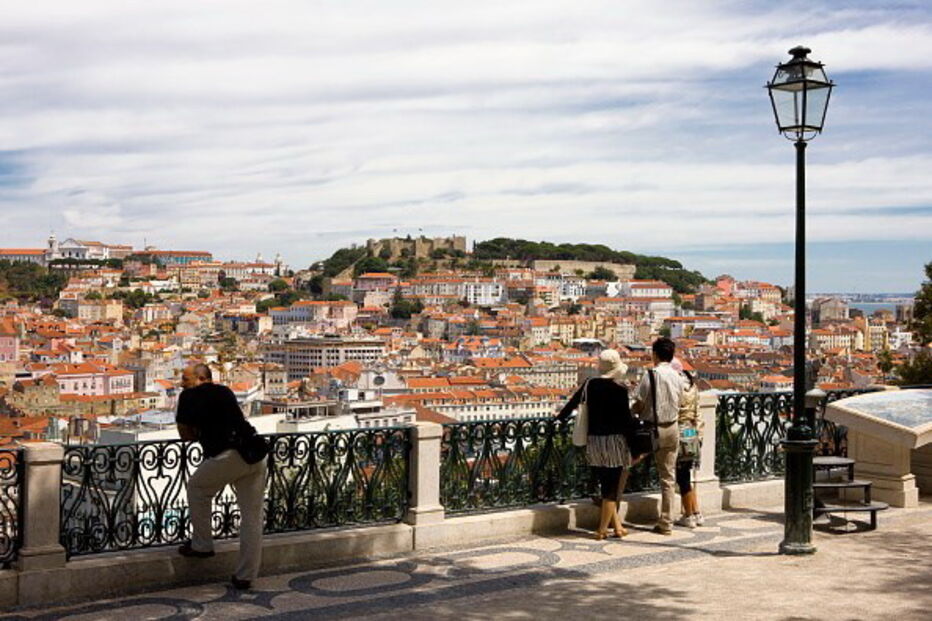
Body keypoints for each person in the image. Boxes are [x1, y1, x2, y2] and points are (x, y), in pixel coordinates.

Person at [175, 363, 267, 590]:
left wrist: (198, 429)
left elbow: (185, 435)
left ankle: (202, 544)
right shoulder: (225, 391)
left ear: (200, 378)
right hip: (255, 453)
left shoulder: (188, 397)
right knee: (252, 518)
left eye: (185, 379)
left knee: (197, 488)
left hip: (228, 455)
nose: (181, 383)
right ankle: (245, 575)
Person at [557, 349, 636, 540]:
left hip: (594, 441)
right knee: (611, 489)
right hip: (614, 442)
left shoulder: (589, 385)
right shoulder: (619, 390)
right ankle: (602, 529)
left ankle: (617, 528)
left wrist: (559, 419)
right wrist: (634, 447)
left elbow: (571, 404)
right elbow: (626, 422)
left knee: (605, 484)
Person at [632, 337, 685, 535]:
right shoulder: (677, 376)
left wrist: (636, 411)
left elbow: (638, 401)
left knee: (627, 461)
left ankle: (610, 508)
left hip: (651, 430)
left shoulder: (650, 375)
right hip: (672, 428)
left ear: (654, 355)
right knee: (668, 478)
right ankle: (666, 522)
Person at [672, 358, 704, 529]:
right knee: (688, 475)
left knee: (681, 476)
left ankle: (689, 515)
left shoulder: (676, 388)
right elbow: (697, 411)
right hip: (692, 432)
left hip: (680, 431)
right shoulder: (693, 386)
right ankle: (696, 511)